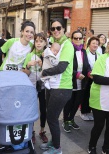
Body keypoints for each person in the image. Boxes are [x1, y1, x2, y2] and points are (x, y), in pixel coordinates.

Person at [40, 18, 74, 154]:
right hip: (52, 87)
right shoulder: (54, 43)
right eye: (53, 29)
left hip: (62, 88)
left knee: (52, 118)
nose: (56, 31)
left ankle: (57, 148)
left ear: (64, 29)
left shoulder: (67, 45)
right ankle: (54, 141)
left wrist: (44, 72)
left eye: (58, 28)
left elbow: (61, 67)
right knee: (50, 116)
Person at [62, 30, 91, 132]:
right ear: (72, 39)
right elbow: (66, 66)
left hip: (82, 82)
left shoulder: (83, 51)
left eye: (80, 38)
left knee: (77, 103)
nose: (78, 40)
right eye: (76, 38)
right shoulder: (69, 50)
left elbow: (86, 65)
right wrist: (76, 74)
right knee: (69, 103)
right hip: (70, 81)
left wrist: (89, 73)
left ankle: (71, 119)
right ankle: (65, 121)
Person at [23, 32, 48, 144]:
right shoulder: (29, 55)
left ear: (45, 43)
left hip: (43, 87)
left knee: (43, 109)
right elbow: (25, 73)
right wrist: (28, 65)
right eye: (36, 41)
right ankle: (31, 132)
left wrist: (43, 64)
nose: (38, 43)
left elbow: (51, 73)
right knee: (31, 110)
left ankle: (42, 131)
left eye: (41, 41)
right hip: (31, 87)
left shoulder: (48, 54)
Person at [80, 36, 100, 121]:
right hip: (86, 78)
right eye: (93, 43)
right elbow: (85, 66)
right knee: (85, 95)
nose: (95, 45)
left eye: (97, 43)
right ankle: (83, 112)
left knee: (92, 96)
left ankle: (88, 111)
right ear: (89, 44)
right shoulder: (85, 53)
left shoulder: (98, 54)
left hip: (95, 78)